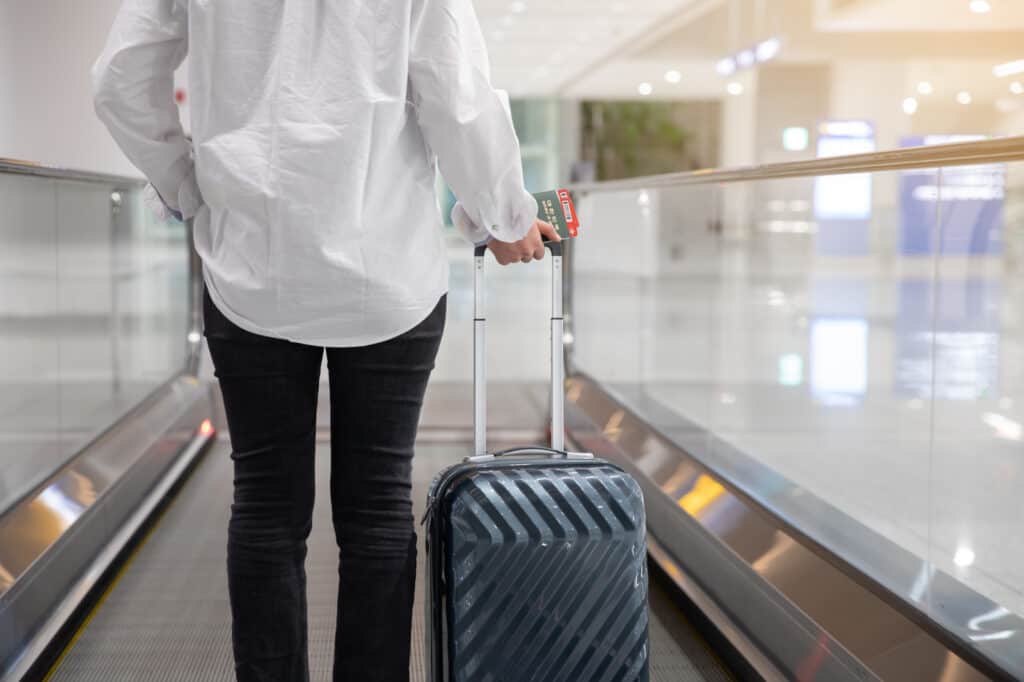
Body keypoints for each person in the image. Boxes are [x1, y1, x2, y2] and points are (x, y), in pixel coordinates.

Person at [92, 1, 559, 680]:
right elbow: (456, 99)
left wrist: (188, 185)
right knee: (377, 509)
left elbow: (120, 79)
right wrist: (503, 215)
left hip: (250, 264)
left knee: (265, 508)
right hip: (388, 268)